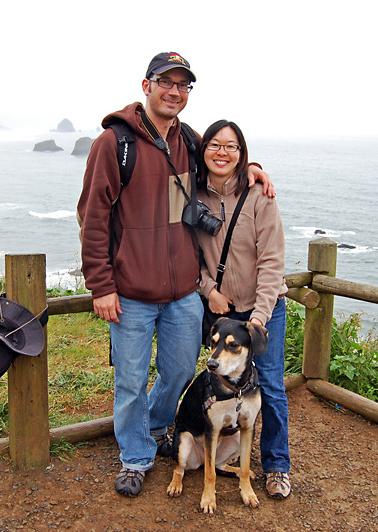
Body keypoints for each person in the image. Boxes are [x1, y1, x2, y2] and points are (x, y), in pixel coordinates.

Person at [76, 52, 274, 497]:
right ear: (146, 86)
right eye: (166, 81)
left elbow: (222, 160)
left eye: (183, 85)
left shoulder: (187, 139)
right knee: (129, 379)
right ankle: (136, 456)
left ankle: (159, 425)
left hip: (184, 292)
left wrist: (252, 168)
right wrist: (101, 285)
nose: (174, 91)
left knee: (182, 371)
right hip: (130, 291)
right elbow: (92, 217)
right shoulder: (114, 144)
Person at [195, 119, 291, 499]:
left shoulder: (259, 198)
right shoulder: (193, 196)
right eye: (215, 144)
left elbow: (272, 263)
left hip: (264, 311)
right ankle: (215, 447)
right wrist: (209, 290)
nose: (222, 152)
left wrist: (258, 320)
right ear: (203, 150)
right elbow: (192, 258)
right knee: (215, 380)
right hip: (223, 309)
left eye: (231, 146)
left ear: (242, 154)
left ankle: (277, 466)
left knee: (269, 385)